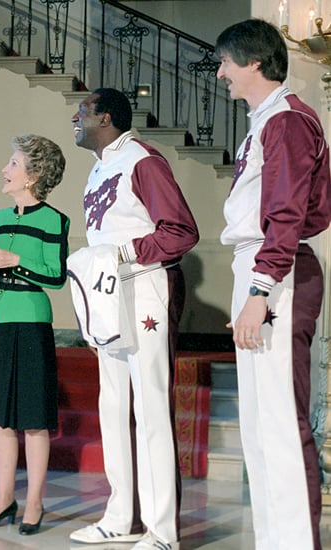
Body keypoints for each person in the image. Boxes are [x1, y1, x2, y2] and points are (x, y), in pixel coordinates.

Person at [216, 19, 330, 550]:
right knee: (260, 424)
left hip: (278, 272)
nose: (220, 73)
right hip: (260, 265)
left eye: (226, 62)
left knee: (281, 420)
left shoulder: (287, 119)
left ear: (254, 62)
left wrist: (260, 292)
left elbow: (286, 211)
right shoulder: (265, 120)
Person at [68, 88, 199, 550]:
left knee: (150, 408)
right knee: (112, 407)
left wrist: (126, 252)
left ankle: (162, 531)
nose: (74, 119)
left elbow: (181, 231)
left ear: (105, 118)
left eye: (82, 112)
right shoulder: (98, 168)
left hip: (146, 285)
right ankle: (121, 516)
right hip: (110, 290)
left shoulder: (143, 160)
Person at [0, 135, 69, 536]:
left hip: (29, 319)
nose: (5, 170)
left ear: (33, 176)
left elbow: (57, 276)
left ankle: (34, 503)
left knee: (32, 418)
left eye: (13, 164)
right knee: (1, 416)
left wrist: (15, 260)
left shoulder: (53, 220)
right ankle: (4, 499)